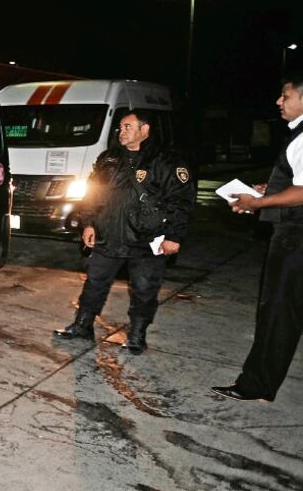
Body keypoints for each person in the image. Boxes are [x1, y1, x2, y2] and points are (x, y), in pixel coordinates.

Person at [54, 110, 195, 354]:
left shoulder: (167, 161)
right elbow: (92, 193)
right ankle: (82, 325)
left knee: (144, 289)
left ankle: (137, 335)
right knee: (95, 282)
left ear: (145, 130)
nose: (122, 131)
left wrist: (174, 236)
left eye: (128, 126)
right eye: (120, 127)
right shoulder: (109, 158)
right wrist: (88, 223)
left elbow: (182, 201)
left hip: (146, 240)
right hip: (109, 235)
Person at [213, 75, 303, 401]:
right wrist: (270, 190)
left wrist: (258, 202)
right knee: (282, 311)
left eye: (286, 95)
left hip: (295, 237)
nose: (279, 102)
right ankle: (258, 382)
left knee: (278, 312)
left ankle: (257, 384)